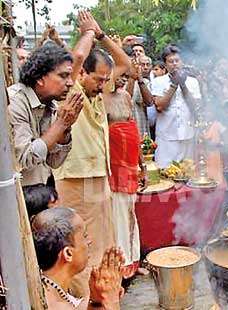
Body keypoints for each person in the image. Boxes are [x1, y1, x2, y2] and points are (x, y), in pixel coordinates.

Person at [53, 11, 131, 298]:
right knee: (80, 247)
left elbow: (125, 64)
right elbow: (73, 62)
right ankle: (85, 300)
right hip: (75, 180)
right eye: (98, 79)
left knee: (103, 244)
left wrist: (101, 36)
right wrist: (86, 34)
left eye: (105, 80)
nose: (103, 86)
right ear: (82, 74)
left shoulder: (97, 90)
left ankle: (104, 296)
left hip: (99, 177)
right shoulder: (71, 87)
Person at [8, 44, 83, 188]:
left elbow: (54, 162)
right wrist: (61, 124)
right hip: (17, 199)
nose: (70, 83)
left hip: (41, 192)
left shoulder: (50, 104)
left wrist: (65, 128)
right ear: (40, 78)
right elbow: (24, 159)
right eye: (63, 76)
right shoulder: (14, 102)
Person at [31, 207, 124, 309]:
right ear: (68, 254)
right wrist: (111, 300)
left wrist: (97, 300)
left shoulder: (49, 288)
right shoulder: (56, 304)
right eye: (84, 236)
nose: (89, 241)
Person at [105, 72, 145, 279]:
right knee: (119, 217)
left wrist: (142, 165)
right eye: (118, 76)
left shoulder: (126, 97)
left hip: (130, 165)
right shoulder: (100, 99)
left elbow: (133, 131)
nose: (121, 80)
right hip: (114, 166)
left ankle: (134, 261)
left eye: (124, 76)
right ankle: (122, 266)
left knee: (130, 215)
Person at [150, 45, 201, 168]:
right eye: (170, 61)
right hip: (166, 138)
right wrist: (174, 85)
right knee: (165, 174)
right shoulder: (158, 82)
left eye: (177, 61)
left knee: (187, 172)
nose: (174, 64)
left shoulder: (192, 82)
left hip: (187, 135)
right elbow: (160, 107)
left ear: (182, 62)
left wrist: (183, 85)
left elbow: (196, 108)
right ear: (166, 65)